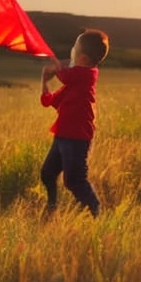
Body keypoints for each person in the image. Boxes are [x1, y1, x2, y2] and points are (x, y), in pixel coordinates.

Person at [39, 29, 109, 217]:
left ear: (84, 58)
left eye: (74, 49)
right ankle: (51, 208)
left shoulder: (87, 75)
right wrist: (44, 80)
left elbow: (65, 75)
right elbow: (48, 101)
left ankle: (95, 211)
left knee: (74, 181)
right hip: (62, 135)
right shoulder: (74, 82)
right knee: (47, 173)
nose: (71, 52)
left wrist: (55, 66)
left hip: (77, 138)